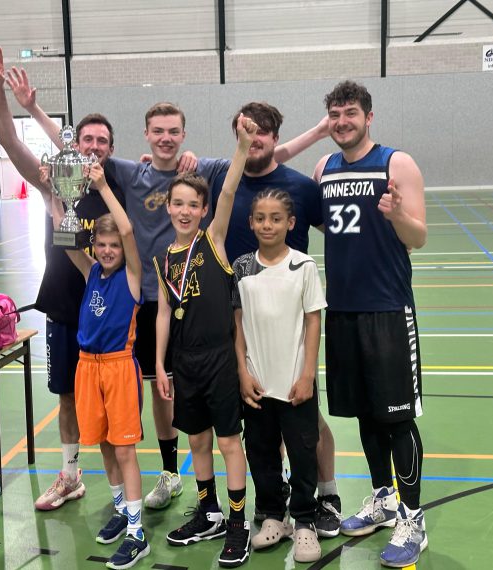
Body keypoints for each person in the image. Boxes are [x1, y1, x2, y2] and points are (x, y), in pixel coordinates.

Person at [10, 77, 231, 508]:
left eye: (173, 132)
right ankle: (130, 478)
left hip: (179, 299)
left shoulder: (198, 170)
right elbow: (76, 150)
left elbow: (260, 158)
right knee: (140, 387)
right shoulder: (132, 172)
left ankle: (171, 473)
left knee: (169, 390)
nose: (165, 138)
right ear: (146, 134)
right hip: (138, 298)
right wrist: (33, 110)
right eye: (158, 131)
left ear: (183, 134)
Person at [0, 48, 124, 511]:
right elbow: (11, 143)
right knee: (66, 397)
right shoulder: (54, 185)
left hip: (108, 316)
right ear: (74, 145)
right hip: (64, 309)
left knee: (111, 408)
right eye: (87, 139)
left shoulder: (116, 190)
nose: (95, 146)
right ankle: (70, 476)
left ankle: (126, 494)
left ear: (110, 149)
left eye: (102, 140)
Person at [212, 102, 342, 538]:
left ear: (275, 137)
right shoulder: (223, 180)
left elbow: (337, 232)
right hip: (245, 323)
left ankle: (326, 496)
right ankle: (274, 506)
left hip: (291, 331)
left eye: (262, 131)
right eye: (246, 131)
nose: (255, 139)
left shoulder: (301, 187)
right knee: (262, 428)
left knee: (308, 424)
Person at [313, 80, 428, 568]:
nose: (343, 122)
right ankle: (383, 497)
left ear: (369, 117)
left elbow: (418, 237)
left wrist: (398, 214)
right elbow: (329, 224)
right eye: (336, 114)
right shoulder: (324, 168)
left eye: (351, 113)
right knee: (364, 412)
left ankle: (413, 518)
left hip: (387, 310)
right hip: (342, 310)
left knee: (396, 418)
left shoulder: (395, 163)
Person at [153, 115, 257, 568]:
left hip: (219, 359)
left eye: (192, 205)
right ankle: (209, 512)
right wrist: (160, 364)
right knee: (197, 441)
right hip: (184, 362)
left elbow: (229, 191)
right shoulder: (164, 260)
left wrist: (242, 147)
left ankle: (237, 524)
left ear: (203, 210)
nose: (184, 211)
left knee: (229, 443)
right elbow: (163, 313)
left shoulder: (212, 240)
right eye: (177, 203)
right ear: (168, 207)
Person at [49, 162, 147, 569]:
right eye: (102, 244)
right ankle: (121, 509)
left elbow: (128, 230)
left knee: (124, 449)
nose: (108, 250)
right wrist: (51, 193)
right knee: (105, 444)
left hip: (118, 368)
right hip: (87, 368)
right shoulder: (91, 272)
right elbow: (65, 237)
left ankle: (137, 533)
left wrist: (103, 186)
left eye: (114, 246)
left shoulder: (132, 276)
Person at [232, 189, 327, 563]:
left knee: (303, 453)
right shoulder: (242, 267)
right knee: (260, 453)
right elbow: (238, 325)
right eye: (260, 218)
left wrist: (307, 375)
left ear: (291, 223)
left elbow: (313, 321)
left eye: (275, 218)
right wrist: (242, 371)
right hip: (257, 383)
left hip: (294, 384)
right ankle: (274, 515)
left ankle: (304, 521)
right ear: (250, 222)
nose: (267, 225)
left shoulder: (304, 266)